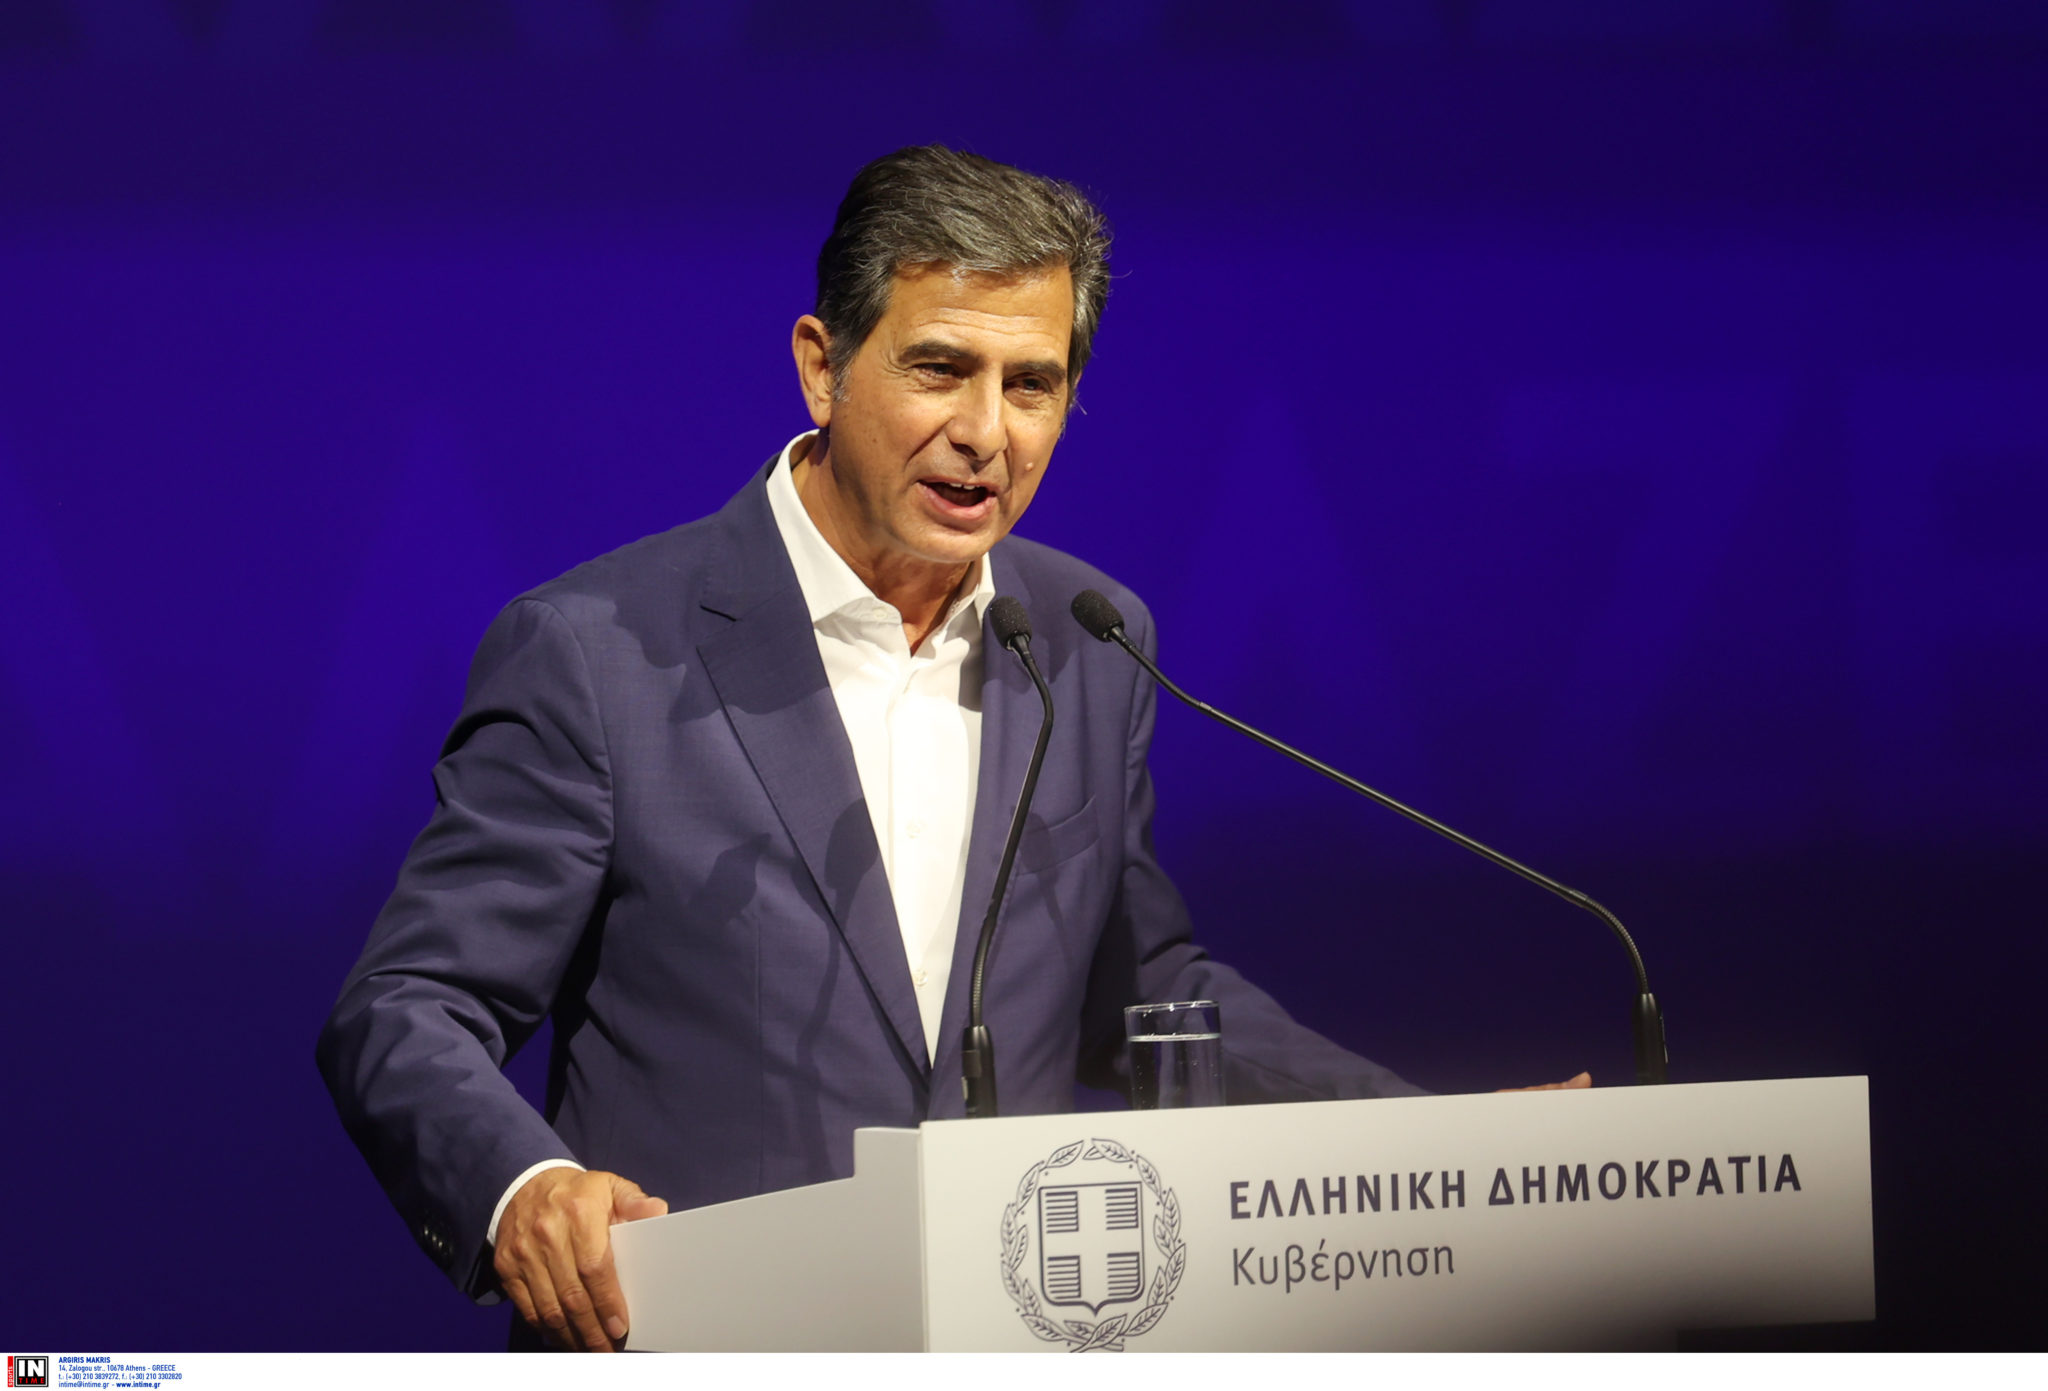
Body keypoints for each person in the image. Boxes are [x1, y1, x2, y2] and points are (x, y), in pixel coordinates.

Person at [317, 145, 1582, 1354]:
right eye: (939, 368)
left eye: (1030, 384)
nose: (986, 430)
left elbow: (1145, 997)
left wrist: (1422, 1149)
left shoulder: (1088, 638)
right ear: (822, 367)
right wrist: (523, 1186)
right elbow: (407, 1006)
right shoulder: (600, 651)